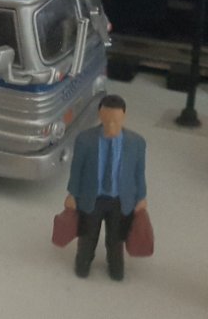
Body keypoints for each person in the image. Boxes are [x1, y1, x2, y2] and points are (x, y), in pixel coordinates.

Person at [65, 94, 147, 281]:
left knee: (116, 238)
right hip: (92, 197)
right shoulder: (85, 140)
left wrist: (141, 197)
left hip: (120, 199)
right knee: (87, 235)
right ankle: (83, 263)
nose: (111, 126)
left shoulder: (136, 143)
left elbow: (139, 172)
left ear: (124, 117)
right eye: (107, 120)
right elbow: (77, 169)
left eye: (115, 121)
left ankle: (116, 267)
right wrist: (72, 194)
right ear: (100, 116)